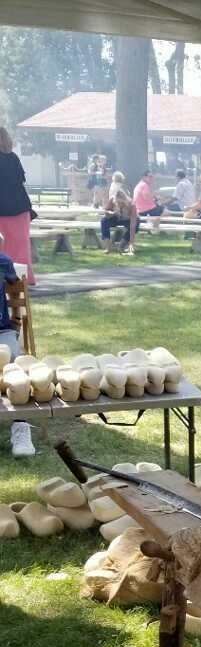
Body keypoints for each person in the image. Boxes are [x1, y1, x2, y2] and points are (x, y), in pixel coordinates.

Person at [0, 233, 35, 456]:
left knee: (14, 363)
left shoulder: (3, 261)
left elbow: (15, 285)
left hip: (1, 330)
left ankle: (20, 429)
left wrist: (15, 319)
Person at [0, 128, 35, 285]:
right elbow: (20, 182)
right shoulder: (14, 158)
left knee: (3, 246)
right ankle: (22, 280)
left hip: (2, 209)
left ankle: (4, 279)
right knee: (21, 246)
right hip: (20, 208)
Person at [100, 186, 138, 254]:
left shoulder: (131, 205)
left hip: (128, 219)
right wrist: (112, 213)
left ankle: (122, 244)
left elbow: (133, 224)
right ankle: (108, 245)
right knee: (104, 220)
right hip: (116, 218)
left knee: (136, 224)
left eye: (122, 203)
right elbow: (106, 211)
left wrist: (131, 243)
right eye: (118, 203)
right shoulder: (112, 200)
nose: (120, 205)